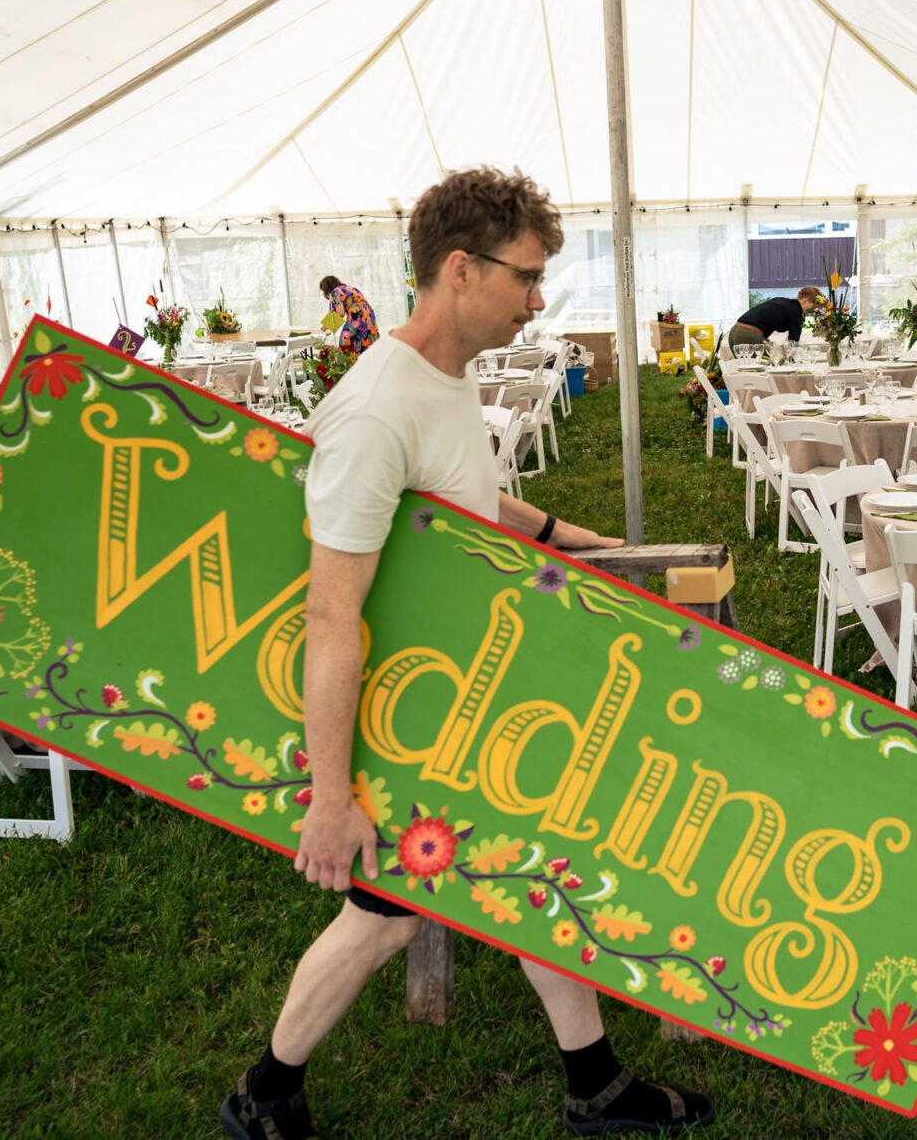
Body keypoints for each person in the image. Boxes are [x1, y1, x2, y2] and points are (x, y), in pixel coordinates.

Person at [221, 169, 715, 1140]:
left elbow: (470, 503)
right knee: (386, 916)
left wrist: (581, 541)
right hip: (403, 718)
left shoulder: (443, 378)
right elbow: (331, 614)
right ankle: (263, 1095)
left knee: (537, 868)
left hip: (471, 697)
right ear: (461, 268)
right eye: (527, 277)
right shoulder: (375, 412)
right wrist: (331, 799)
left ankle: (596, 1085)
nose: (538, 299)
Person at [726, 285, 822, 353]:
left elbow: (762, 318)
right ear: (805, 301)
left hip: (735, 332)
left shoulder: (783, 302)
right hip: (749, 335)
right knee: (768, 364)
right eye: (815, 306)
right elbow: (793, 343)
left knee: (745, 368)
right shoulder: (797, 311)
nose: (815, 310)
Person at [320, 274, 380, 355]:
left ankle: (350, 365)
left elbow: (340, 313)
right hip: (370, 317)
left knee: (345, 342)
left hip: (357, 317)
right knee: (367, 342)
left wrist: (325, 327)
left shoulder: (335, 292)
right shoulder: (351, 288)